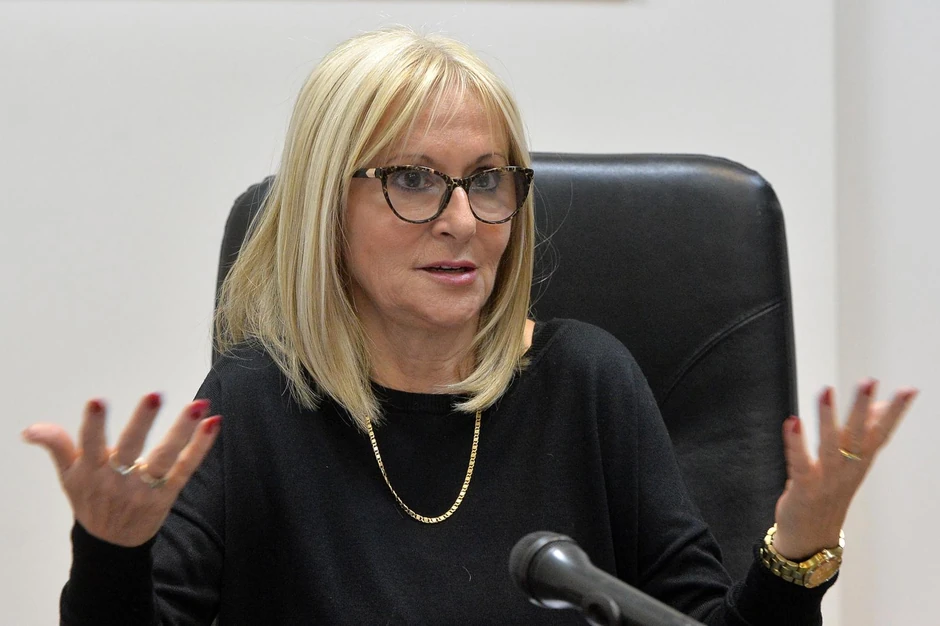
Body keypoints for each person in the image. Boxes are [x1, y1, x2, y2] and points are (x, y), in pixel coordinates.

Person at [23, 27, 916, 625]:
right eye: (413, 179)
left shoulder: (588, 383)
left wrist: (799, 547)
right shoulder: (255, 399)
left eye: (488, 180)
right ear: (326, 209)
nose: (462, 220)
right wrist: (111, 552)